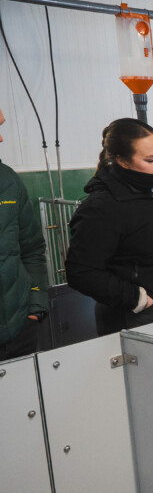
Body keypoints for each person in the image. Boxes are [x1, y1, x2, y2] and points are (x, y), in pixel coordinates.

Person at [66, 118, 153, 335]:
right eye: (151, 159)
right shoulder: (103, 206)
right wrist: (136, 299)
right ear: (123, 161)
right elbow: (81, 271)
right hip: (140, 315)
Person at [0, 106, 48, 359]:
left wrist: (35, 306)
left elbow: (32, 249)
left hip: (19, 330)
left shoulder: (8, 180)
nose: (1, 138)